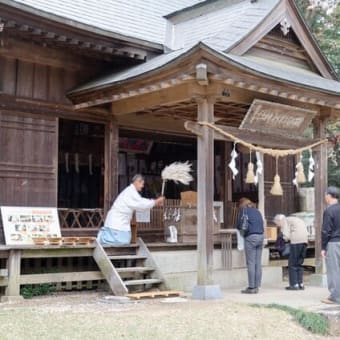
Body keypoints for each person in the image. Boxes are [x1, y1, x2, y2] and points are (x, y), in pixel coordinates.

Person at [97, 174, 164, 245]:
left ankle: (104, 237)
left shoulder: (131, 191)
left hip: (119, 222)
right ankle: (102, 237)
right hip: (116, 223)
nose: (143, 186)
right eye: (142, 184)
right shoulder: (130, 192)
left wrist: (154, 203)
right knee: (122, 241)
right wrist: (155, 202)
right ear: (137, 182)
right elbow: (141, 203)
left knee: (125, 240)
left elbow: (140, 205)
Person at [236, 198, 264, 294]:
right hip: (261, 237)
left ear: (241, 205)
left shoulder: (244, 211)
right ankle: (257, 286)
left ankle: (251, 287)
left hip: (251, 237)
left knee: (251, 263)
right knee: (258, 262)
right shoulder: (257, 211)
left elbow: (239, 225)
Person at [273, 214, 308, 290]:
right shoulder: (294, 219)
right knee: (299, 263)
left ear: (279, 220)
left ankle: (294, 285)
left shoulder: (285, 220)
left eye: (277, 224)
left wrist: (282, 242)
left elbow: (286, 236)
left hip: (296, 241)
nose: (278, 226)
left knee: (292, 263)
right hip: (305, 241)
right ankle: (300, 284)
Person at [321, 186, 340, 304]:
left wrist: (323, 247)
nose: (325, 197)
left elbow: (326, 231)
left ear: (329, 196)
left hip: (334, 243)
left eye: (325, 195)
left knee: (334, 270)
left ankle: (334, 296)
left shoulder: (329, 210)